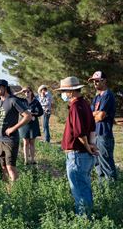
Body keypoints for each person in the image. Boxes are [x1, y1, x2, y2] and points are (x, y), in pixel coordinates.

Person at [58, 76, 97, 216]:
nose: (63, 94)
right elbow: (92, 128)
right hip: (83, 155)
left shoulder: (75, 106)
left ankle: (84, 220)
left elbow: (80, 132)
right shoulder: (85, 104)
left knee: (79, 190)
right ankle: (89, 216)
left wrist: (88, 147)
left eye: (64, 91)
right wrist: (92, 145)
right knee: (85, 188)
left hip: (77, 155)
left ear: (71, 91)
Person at [0, 79, 32, 181]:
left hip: (10, 140)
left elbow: (28, 116)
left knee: (10, 167)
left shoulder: (13, 100)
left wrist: (13, 128)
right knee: (3, 168)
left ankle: (15, 193)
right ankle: (8, 191)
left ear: (5, 87)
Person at [88, 71, 117, 181]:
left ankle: (112, 191)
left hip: (104, 135)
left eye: (97, 81)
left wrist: (96, 114)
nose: (95, 83)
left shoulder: (108, 95)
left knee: (106, 164)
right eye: (93, 81)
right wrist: (96, 113)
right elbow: (91, 115)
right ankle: (103, 192)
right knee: (97, 164)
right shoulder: (97, 97)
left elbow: (100, 116)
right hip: (95, 134)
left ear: (104, 81)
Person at [16, 87, 43, 165]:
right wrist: (20, 91)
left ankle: (33, 159)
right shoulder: (22, 101)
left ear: (31, 92)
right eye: (25, 92)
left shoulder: (35, 102)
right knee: (25, 142)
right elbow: (12, 96)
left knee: (32, 142)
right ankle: (26, 160)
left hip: (33, 123)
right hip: (24, 123)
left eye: (28, 91)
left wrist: (34, 114)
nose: (26, 93)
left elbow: (41, 112)